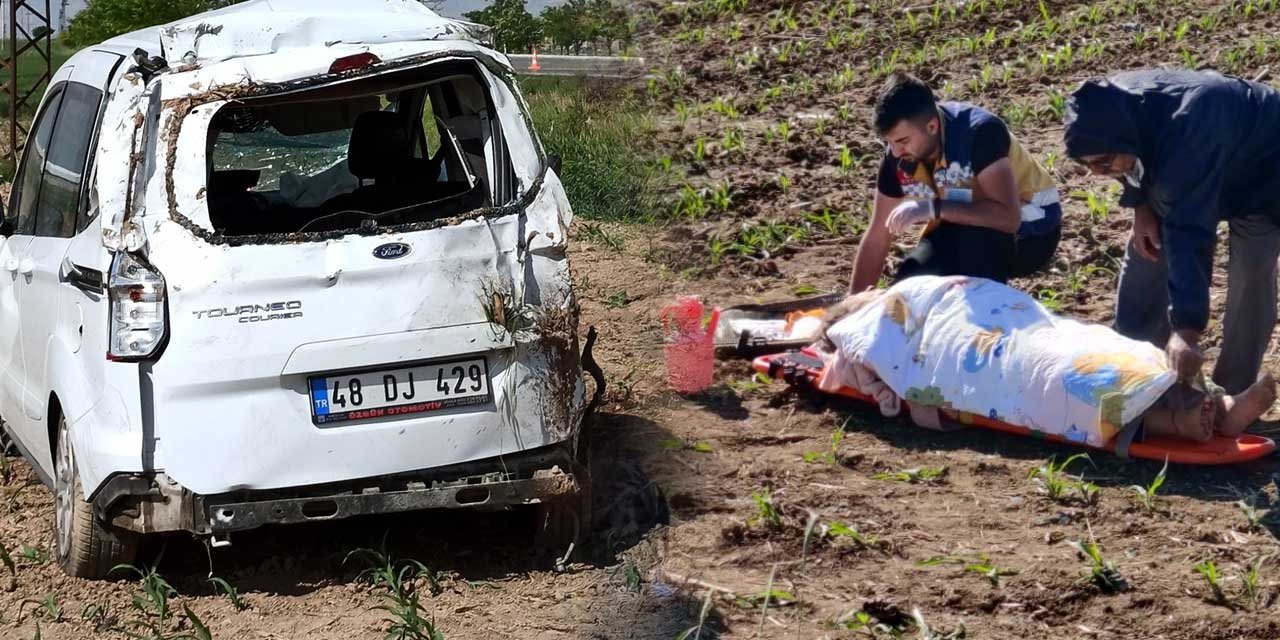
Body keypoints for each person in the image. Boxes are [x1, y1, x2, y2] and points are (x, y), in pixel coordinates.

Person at [816, 275, 1276, 444]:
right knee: (1055, 374)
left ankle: (1216, 407)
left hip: (1020, 322)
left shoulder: (920, 285)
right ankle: (1172, 421)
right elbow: (870, 347)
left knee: (1097, 347)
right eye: (860, 296)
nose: (868, 292)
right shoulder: (873, 317)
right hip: (984, 348)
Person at [1062, 69, 1280, 396]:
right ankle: (1132, 367)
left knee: (1252, 272)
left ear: (1123, 140)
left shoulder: (1186, 132)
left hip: (1264, 166)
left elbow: (1190, 233)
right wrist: (1140, 205)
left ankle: (1231, 392)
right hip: (1200, 149)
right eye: (1087, 165)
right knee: (1149, 244)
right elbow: (1126, 161)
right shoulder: (1110, 107)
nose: (1097, 174)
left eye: (1103, 164)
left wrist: (1187, 330)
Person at [849, 73, 1062, 293]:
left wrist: (933, 208)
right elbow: (877, 236)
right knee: (909, 287)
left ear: (932, 126)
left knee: (972, 265)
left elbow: (1008, 218)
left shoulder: (980, 134)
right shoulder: (897, 157)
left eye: (902, 141)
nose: (895, 151)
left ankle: (989, 316)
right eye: (889, 142)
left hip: (1032, 230)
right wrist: (852, 309)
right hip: (958, 223)